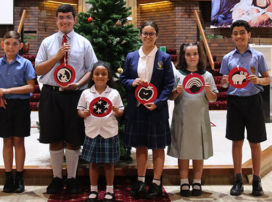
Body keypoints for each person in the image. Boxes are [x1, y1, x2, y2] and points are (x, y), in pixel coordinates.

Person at [35, 4, 97, 194]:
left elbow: (91, 69)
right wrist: (57, 56)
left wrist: (78, 85)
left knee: (73, 139)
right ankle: (56, 178)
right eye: (61, 17)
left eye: (68, 17)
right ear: (56, 20)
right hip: (52, 93)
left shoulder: (83, 43)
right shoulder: (47, 43)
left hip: (75, 94)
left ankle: (71, 178)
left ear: (75, 20)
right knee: (54, 138)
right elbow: (38, 69)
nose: (65, 21)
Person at [120, 21, 174, 199]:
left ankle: (157, 182)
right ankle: (141, 180)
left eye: (151, 33)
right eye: (145, 33)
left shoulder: (164, 58)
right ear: (140, 35)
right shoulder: (131, 56)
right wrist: (132, 82)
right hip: (137, 109)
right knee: (141, 146)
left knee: (158, 147)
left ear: (156, 36)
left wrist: (157, 102)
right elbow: (123, 79)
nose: (148, 36)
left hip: (156, 109)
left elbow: (169, 85)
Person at [220, 20, 270, 196]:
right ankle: (238, 179)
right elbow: (225, 84)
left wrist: (258, 80)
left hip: (253, 101)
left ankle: (256, 180)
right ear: (232, 36)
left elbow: (268, 79)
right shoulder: (227, 58)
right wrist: (225, 83)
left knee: (255, 142)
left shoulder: (258, 56)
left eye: (242, 32)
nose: (239, 36)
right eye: (235, 33)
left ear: (249, 34)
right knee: (237, 141)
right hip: (234, 102)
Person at [167, 42, 218, 197]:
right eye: (188, 54)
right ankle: (184, 181)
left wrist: (209, 91)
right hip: (182, 119)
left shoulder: (207, 75)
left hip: (200, 121)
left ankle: (197, 181)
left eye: (195, 54)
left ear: (199, 55)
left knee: (198, 152)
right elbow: (170, 96)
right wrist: (176, 91)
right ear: (183, 56)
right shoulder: (177, 74)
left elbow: (213, 99)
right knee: (183, 152)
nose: (192, 57)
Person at [0, 30, 36, 193]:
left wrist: (8, 91)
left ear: (21, 46)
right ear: (3, 45)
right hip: (5, 106)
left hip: (21, 105)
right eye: (8, 43)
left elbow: (31, 86)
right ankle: (8, 175)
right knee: (7, 141)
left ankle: (19, 176)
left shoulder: (26, 64)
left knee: (19, 140)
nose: (11, 47)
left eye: (15, 44)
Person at [77, 61, 124, 202]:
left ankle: (109, 190)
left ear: (108, 77)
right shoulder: (86, 93)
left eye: (103, 74)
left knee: (109, 164)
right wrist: (83, 113)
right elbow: (80, 110)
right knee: (93, 163)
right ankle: (93, 189)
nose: (100, 76)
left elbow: (121, 111)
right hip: (92, 132)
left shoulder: (114, 93)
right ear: (92, 77)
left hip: (109, 133)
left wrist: (117, 111)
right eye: (97, 74)